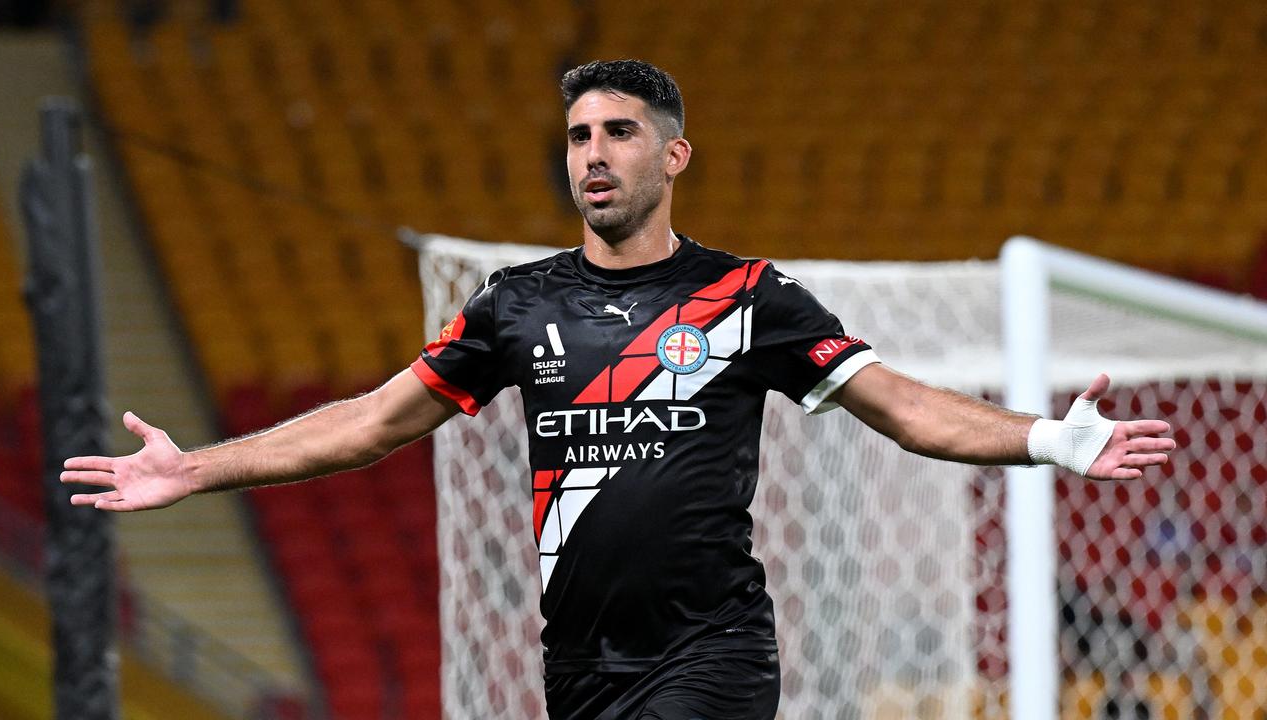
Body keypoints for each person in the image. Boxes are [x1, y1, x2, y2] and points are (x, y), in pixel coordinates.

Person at [62, 60, 1175, 720]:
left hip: (711, 649)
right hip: (579, 661)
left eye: (618, 134)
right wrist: (195, 467)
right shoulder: (510, 305)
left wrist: (1046, 440)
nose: (592, 154)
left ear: (672, 155)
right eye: (578, 136)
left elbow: (904, 407)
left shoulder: (746, 297)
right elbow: (366, 426)